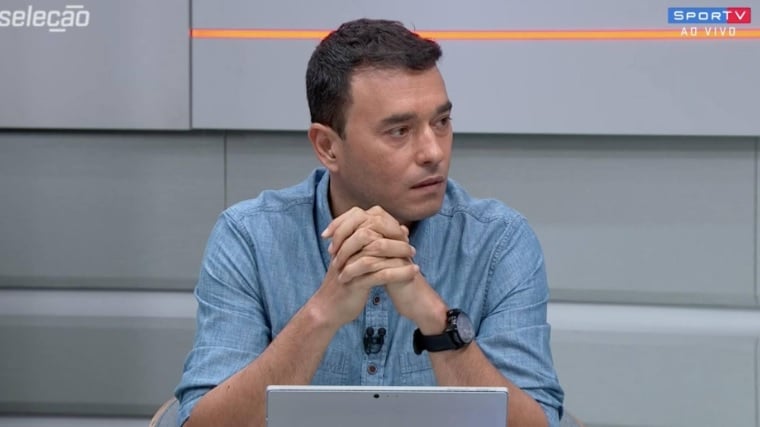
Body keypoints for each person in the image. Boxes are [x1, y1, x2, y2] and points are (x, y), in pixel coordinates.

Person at [175, 18, 564, 427]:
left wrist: (436, 320)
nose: (433, 152)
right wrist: (322, 313)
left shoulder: (499, 242)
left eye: (441, 122)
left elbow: (540, 423)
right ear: (328, 147)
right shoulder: (249, 238)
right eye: (399, 131)